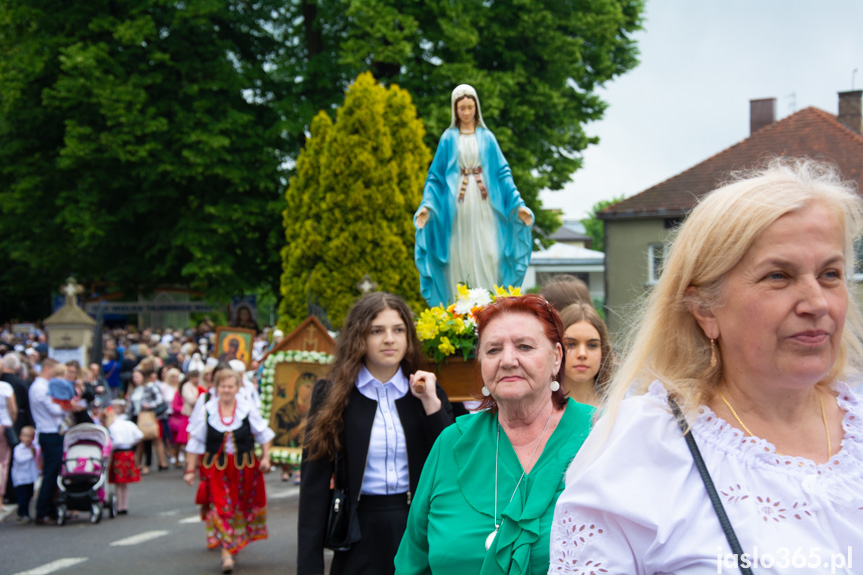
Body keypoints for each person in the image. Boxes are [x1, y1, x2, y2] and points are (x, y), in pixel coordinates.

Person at [549, 159, 863, 573]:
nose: (817, 303)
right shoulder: (645, 448)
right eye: (778, 276)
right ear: (704, 308)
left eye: (830, 274)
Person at [394, 294, 594, 574]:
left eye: (524, 346)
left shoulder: (600, 436)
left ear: (557, 357)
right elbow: (412, 562)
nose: (508, 360)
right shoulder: (451, 444)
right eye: (493, 350)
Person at [298, 292, 455, 575]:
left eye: (398, 330)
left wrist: (432, 405)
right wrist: (309, 567)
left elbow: (453, 462)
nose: (389, 339)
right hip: (357, 531)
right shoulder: (332, 395)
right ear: (360, 337)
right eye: (377, 331)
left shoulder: (427, 391)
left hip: (417, 526)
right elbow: (314, 489)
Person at [414, 84, 534, 307]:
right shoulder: (448, 138)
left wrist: (518, 205)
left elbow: (502, 173)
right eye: (462, 108)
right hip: (457, 208)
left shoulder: (487, 137)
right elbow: (436, 177)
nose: (467, 112)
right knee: (460, 256)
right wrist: (427, 206)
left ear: (476, 108)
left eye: (470, 107)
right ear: (455, 110)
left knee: (491, 253)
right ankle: (462, 309)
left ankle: (490, 306)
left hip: (484, 205)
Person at [184, 368, 274, 574]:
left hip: (244, 470)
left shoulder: (245, 407)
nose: (226, 390)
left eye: (230, 386)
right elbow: (195, 441)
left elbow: (263, 433)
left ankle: (232, 544)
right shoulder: (207, 409)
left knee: (238, 508)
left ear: (237, 388)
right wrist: (189, 470)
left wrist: (266, 457)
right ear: (216, 388)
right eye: (223, 386)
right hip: (216, 470)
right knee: (221, 507)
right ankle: (226, 554)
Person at [28, 357, 66, 524]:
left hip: (51, 432)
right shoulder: (40, 388)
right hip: (49, 433)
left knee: (54, 471)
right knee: (51, 473)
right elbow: (55, 409)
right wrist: (65, 404)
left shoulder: (43, 386)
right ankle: (43, 510)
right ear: (48, 369)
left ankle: (49, 509)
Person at [558, 302, 614, 407]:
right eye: (571, 344)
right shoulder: (538, 408)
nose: (582, 354)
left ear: (603, 351)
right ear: (556, 349)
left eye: (592, 345)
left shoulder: (620, 409)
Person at [127, 361, 168, 473]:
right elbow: (130, 406)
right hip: (135, 417)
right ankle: (135, 464)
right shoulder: (134, 389)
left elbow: (160, 400)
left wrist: (150, 405)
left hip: (146, 416)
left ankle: (147, 465)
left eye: (137, 376)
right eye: (134, 377)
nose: (135, 379)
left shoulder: (150, 387)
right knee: (136, 442)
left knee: (147, 442)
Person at [104, 403, 143, 514]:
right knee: (124, 483)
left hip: (119, 454)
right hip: (129, 453)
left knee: (119, 482)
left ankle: (120, 506)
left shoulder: (113, 426)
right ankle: (124, 505)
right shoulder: (129, 424)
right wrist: (130, 443)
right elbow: (139, 435)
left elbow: (117, 441)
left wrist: (111, 447)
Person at [11, 425, 38, 524]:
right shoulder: (19, 448)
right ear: (20, 436)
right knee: (22, 497)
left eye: (30, 436)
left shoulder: (33, 448)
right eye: (25, 436)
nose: (27, 439)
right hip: (20, 478)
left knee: (28, 496)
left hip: (30, 478)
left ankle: (26, 514)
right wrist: (31, 455)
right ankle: (21, 514)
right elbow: (19, 459)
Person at [0, 376, 18, 500]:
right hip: (4, 426)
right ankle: (0, 499)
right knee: (3, 463)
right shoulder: (5, 387)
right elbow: (13, 411)